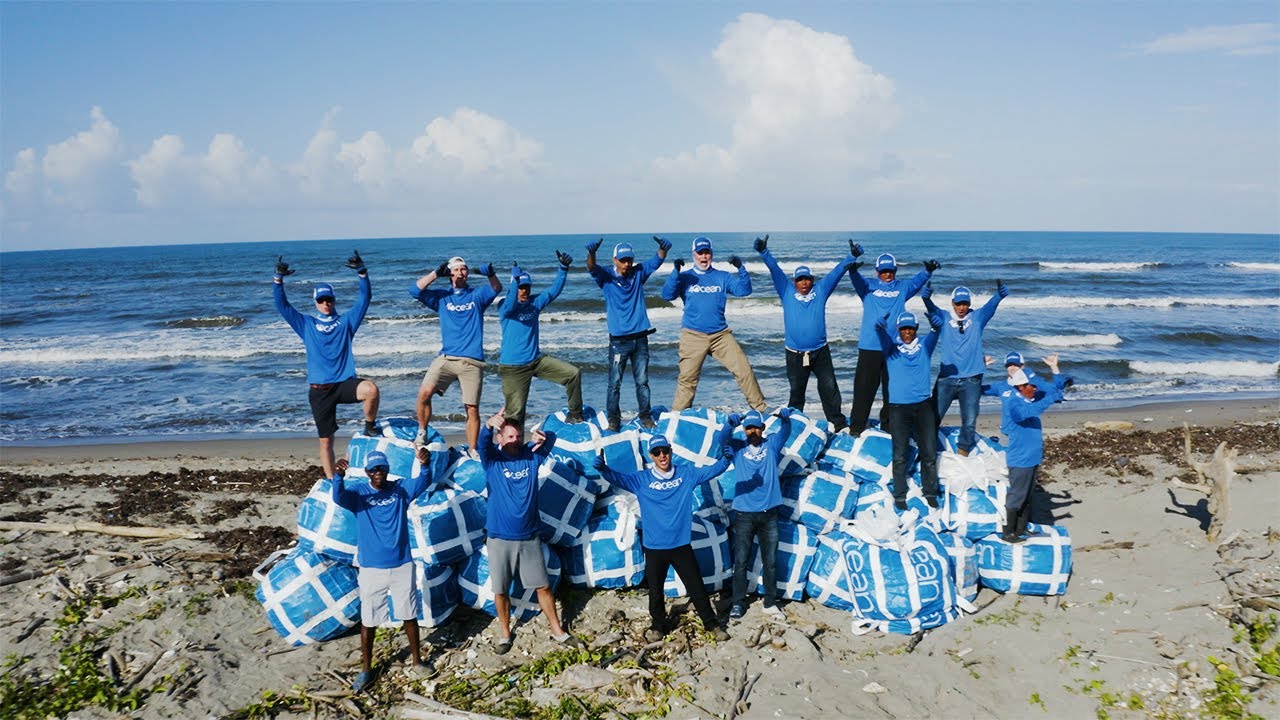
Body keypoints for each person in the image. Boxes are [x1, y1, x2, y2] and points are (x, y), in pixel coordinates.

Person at [592, 435, 732, 642]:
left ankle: (712, 625)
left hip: (681, 545)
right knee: (655, 591)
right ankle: (658, 626)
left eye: (665, 451)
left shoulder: (686, 474)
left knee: (697, 587)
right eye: (657, 452)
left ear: (670, 450)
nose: (662, 456)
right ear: (651, 456)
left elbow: (712, 470)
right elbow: (616, 477)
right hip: (655, 548)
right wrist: (602, 468)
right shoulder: (641, 480)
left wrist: (726, 460)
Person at [476, 409, 579, 654]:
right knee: (501, 590)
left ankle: (557, 631)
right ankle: (504, 633)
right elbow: (482, 443)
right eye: (509, 437)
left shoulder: (531, 457)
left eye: (517, 436)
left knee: (543, 586)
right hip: (500, 539)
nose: (514, 441)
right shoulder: (492, 461)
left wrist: (543, 435)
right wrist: (489, 425)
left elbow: (550, 441)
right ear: (500, 439)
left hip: (530, 537)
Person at [331, 448, 434, 692]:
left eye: (382, 468)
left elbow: (423, 481)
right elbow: (338, 497)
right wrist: (338, 477)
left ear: (388, 470)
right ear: (367, 472)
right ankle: (366, 669)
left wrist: (425, 464)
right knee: (369, 620)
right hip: (371, 568)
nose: (379, 473)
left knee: (409, 614)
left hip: (402, 564)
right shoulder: (358, 495)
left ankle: (417, 661)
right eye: (374, 469)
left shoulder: (400, 490)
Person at [274, 251, 380, 479]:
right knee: (326, 442)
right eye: (321, 300)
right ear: (315, 302)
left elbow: (365, 300)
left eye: (329, 299)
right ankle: (333, 481)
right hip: (320, 391)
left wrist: (362, 272)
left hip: (344, 384)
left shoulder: (346, 322)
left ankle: (370, 426)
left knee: (371, 389)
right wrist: (278, 280)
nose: (325, 303)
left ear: (334, 300)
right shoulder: (306, 324)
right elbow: (283, 306)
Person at [756, 234, 857, 432]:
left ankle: (838, 424)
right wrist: (763, 252)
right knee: (797, 393)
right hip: (794, 354)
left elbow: (836, 274)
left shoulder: (820, 291)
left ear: (812, 280)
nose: (804, 283)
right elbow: (775, 270)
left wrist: (850, 257)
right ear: (794, 282)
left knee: (829, 389)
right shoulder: (785, 291)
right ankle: (793, 426)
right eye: (800, 280)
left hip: (820, 351)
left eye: (807, 279)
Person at [662, 236, 767, 412]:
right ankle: (677, 418)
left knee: (744, 370)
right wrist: (675, 273)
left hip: (721, 335)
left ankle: (760, 411)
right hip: (692, 335)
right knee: (688, 380)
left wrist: (741, 268)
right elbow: (667, 295)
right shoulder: (685, 277)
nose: (703, 257)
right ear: (693, 255)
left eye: (707, 253)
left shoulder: (722, 277)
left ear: (711, 254)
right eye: (700, 253)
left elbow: (744, 290)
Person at [408, 257, 502, 452]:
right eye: (457, 269)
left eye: (464, 269)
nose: (461, 273)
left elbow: (496, 288)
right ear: (450, 274)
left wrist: (491, 274)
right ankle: (422, 432)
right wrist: (435, 274)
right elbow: (415, 290)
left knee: (472, 408)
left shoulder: (477, 295)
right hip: (446, 359)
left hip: (472, 361)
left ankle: (473, 450)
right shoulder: (442, 297)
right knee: (424, 393)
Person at [848, 249, 938, 436]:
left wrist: (927, 272)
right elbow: (856, 280)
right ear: (877, 271)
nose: (887, 274)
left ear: (895, 270)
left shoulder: (901, 288)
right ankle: (856, 428)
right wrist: (853, 271)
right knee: (864, 390)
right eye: (883, 271)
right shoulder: (868, 287)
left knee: (892, 390)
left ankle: (888, 427)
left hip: (894, 349)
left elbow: (916, 283)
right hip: (870, 347)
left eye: (891, 270)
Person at [586, 237, 670, 431]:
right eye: (622, 260)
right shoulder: (606, 276)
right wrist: (591, 253)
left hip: (640, 338)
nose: (626, 264)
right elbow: (591, 267)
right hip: (618, 341)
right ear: (614, 260)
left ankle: (645, 416)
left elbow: (656, 261)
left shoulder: (638, 273)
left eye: (629, 260)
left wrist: (662, 249)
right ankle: (614, 420)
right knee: (614, 384)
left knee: (642, 382)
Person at [921, 280, 1008, 455]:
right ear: (952, 303)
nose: (962, 307)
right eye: (958, 303)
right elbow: (932, 311)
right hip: (947, 378)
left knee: (969, 419)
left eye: (965, 303)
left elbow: (990, 307)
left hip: (972, 378)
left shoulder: (977, 318)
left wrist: (999, 295)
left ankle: (963, 450)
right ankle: (927, 449)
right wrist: (927, 299)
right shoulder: (944, 317)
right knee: (934, 416)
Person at [497, 251, 584, 426]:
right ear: (514, 287)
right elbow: (511, 303)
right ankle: (511, 449)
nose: (524, 291)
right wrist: (515, 281)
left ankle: (575, 415)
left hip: (536, 361)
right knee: (515, 415)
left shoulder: (534, 304)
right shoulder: (504, 306)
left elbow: (553, 291)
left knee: (572, 374)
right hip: (513, 367)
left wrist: (563, 268)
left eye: (527, 287)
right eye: (521, 287)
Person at [726, 408, 792, 621]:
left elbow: (785, 432)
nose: (752, 431)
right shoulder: (738, 448)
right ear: (744, 430)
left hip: (769, 513)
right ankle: (737, 602)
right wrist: (729, 424)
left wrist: (785, 419)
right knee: (741, 561)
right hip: (744, 514)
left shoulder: (771, 445)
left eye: (756, 427)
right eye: (748, 428)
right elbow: (721, 440)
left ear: (763, 429)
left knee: (770, 561)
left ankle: (770, 602)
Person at [874, 310, 942, 511]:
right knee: (900, 454)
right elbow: (881, 335)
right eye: (903, 328)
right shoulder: (891, 348)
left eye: (910, 328)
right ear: (898, 329)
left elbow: (936, 332)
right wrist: (878, 327)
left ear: (916, 329)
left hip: (923, 406)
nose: (907, 332)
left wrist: (936, 324)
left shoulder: (924, 347)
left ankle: (930, 492)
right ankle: (900, 494)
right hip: (898, 408)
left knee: (929, 452)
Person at [999, 368, 1066, 542]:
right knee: (1017, 495)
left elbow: (1053, 391)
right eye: (1032, 386)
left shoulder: (1029, 401)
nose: (1035, 389)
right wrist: (1050, 399)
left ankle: (1021, 529)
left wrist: (1057, 373)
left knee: (1027, 496)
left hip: (1032, 458)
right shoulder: (1014, 403)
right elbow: (1023, 414)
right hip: (1020, 459)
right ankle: (1009, 532)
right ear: (1021, 387)